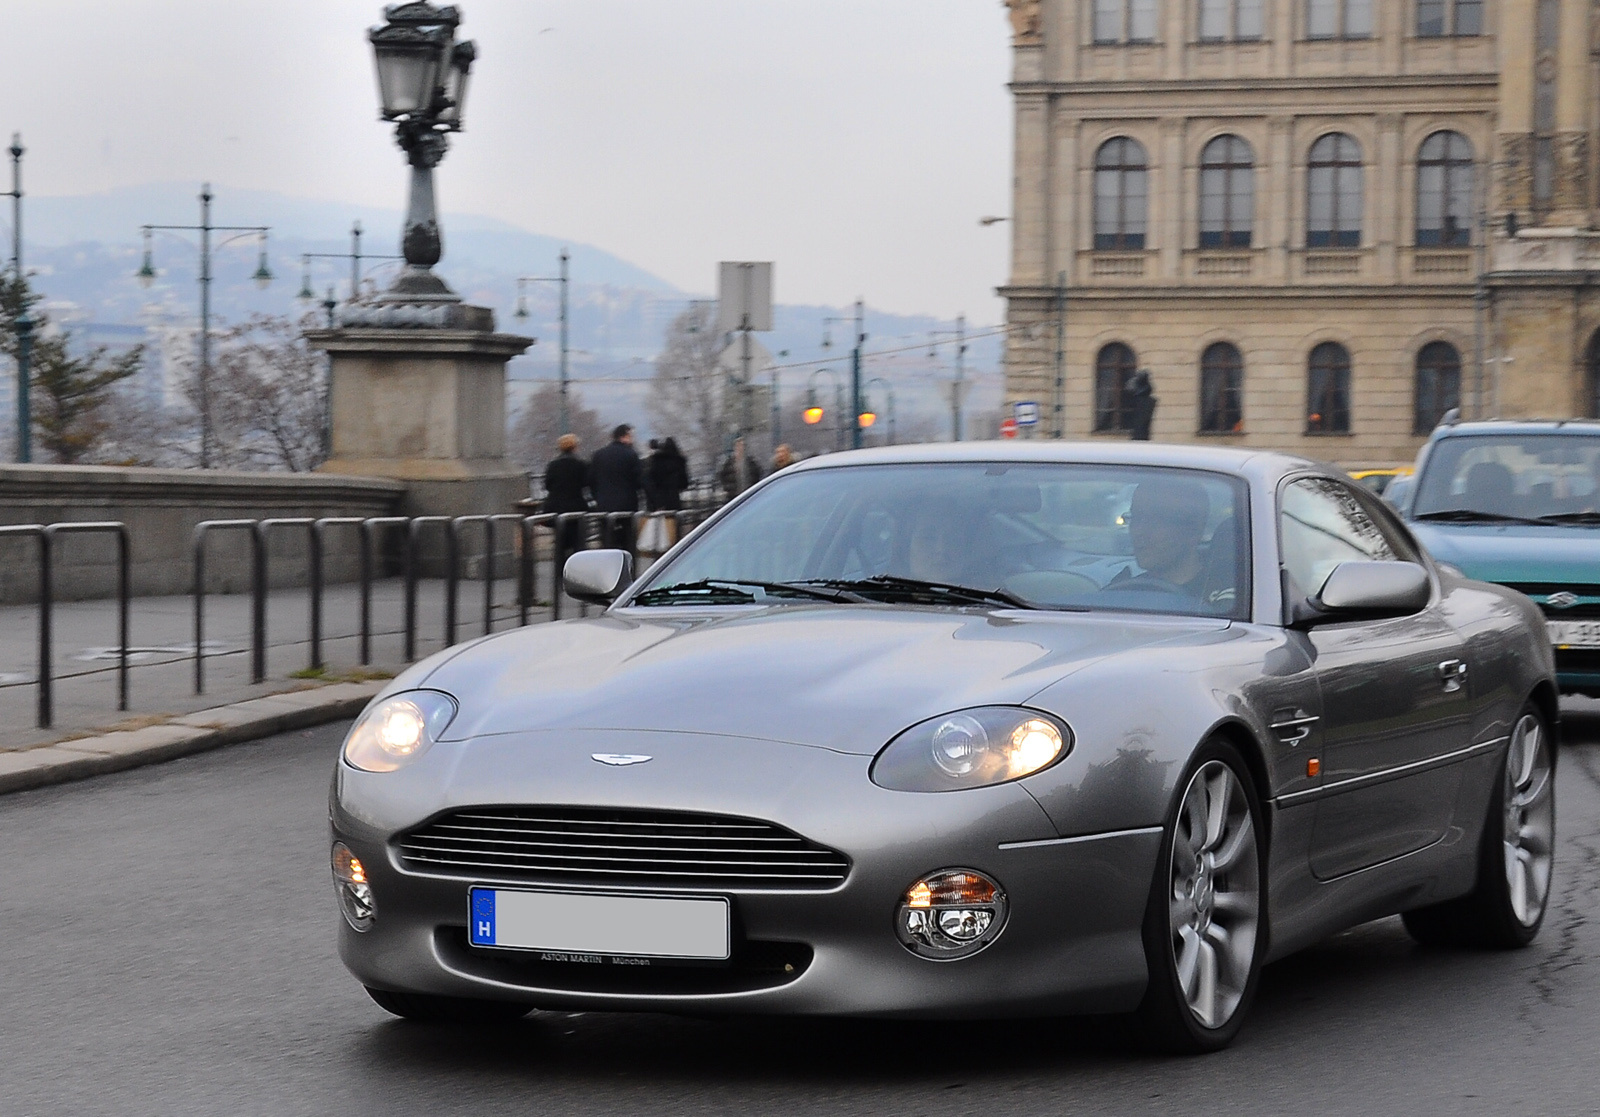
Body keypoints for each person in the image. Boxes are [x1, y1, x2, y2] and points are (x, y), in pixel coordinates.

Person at [1120, 475, 1210, 591]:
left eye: (1155, 521)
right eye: (1136, 517)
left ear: (1194, 530)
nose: (1139, 531)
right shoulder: (1124, 591)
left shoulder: (1223, 600)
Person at [590, 423, 643, 551]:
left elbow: (591, 479)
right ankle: (627, 566)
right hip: (627, 504)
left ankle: (609, 565)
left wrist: (597, 496)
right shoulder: (631, 454)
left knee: (607, 540)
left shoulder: (598, 455)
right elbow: (640, 479)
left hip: (604, 504)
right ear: (625, 436)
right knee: (628, 541)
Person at [542, 433, 589, 560]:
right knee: (577, 542)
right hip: (576, 506)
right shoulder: (581, 464)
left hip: (557, 507)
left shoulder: (553, 465)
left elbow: (547, 485)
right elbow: (586, 483)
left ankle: (559, 572)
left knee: (560, 542)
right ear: (575, 447)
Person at [719, 437, 763, 501]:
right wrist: (728, 488)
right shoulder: (729, 463)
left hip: (748, 494)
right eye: (738, 446)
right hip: (734, 496)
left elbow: (757, 473)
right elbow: (722, 475)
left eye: (742, 446)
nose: (740, 448)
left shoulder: (750, 462)